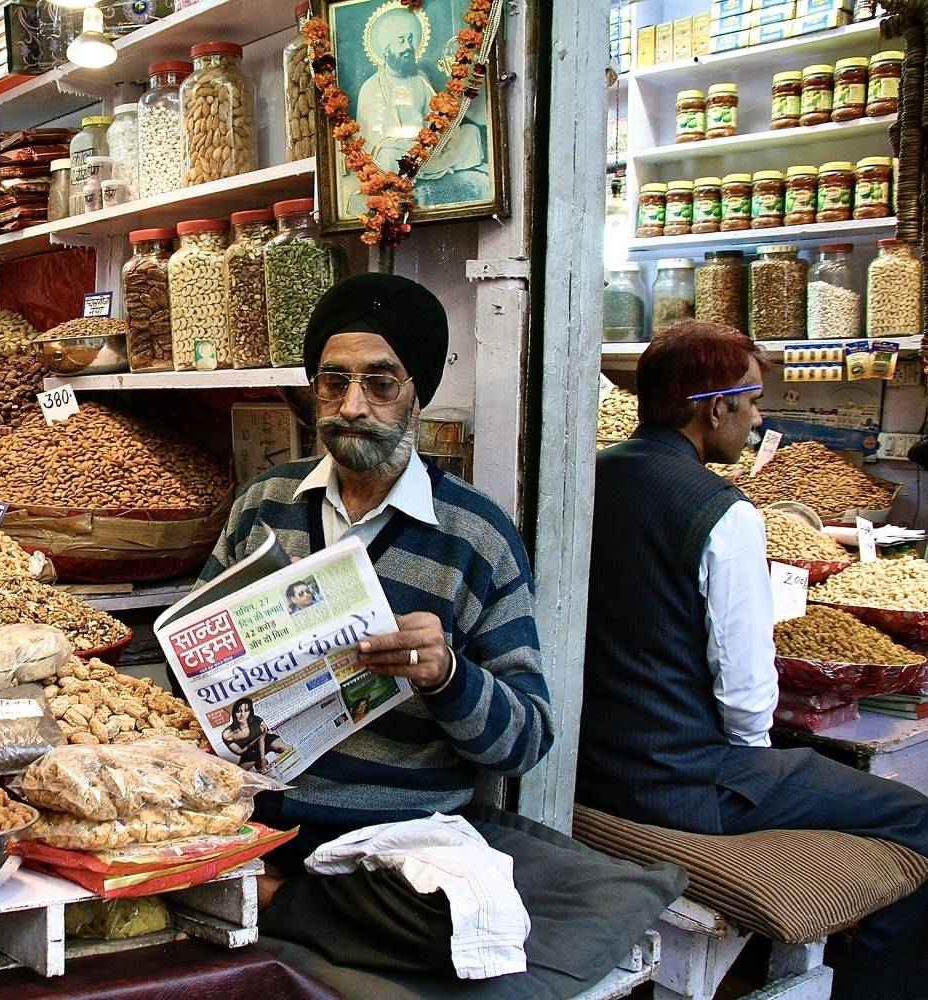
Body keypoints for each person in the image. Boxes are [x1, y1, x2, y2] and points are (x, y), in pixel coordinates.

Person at [202, 273, 683, 997]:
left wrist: (449, 675)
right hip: (257, 818)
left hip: (392, 842)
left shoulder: (475, 538)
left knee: (460, 929)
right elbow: (191, 661)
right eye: (333, 382)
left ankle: (270, 900)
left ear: (417, 394)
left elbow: (527, 739)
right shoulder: (264, 506)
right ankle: (268, 889)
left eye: (379, 383)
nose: (352, 405)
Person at [580, 321, 928, 1000]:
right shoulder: (724, 512)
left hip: (591, 762)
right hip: (683, 782)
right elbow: (745, 696)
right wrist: (752, 770)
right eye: (753, 402)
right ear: (715, 409)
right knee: (917, 816)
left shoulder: (590, 476)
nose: (759, 419)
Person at [352, 5, 486, 212]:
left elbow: (436, 118)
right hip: (396, 150)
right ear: (386, 48)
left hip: (427, 146)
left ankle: (431, 167)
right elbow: (370, 139)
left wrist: (432, 137)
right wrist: (403, 143)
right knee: (387, 157)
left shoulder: (420, 78)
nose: (408, 46)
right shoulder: (371, 87)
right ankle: (423, 170)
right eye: (401, 41)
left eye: (410, 39)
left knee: (470, 133)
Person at [221, 697, 292, 772]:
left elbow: (262, 739)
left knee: (286, 748)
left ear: (250, 711)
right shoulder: (227, 733)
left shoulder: (256, 720)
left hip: (265, 741)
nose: (242, 714)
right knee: (238, 772)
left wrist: (262, 758)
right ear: (234, 713)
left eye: (246, 710)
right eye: (238, 711)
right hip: (249, 753)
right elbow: (239, 751)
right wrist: (256, 739)